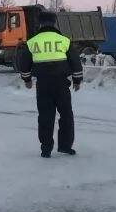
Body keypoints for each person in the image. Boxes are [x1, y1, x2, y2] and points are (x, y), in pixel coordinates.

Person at [17, 11, 83, 158]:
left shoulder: (32, 42)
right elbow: (75, 62)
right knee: (66, 115)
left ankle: (46, 149)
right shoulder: (64, 40)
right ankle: (65, 146)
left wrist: (27, 80)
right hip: (61, 85)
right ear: (54, 23)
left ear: (40, 24)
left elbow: (24, 63)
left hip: (43, 85)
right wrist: (77, 81)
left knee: (45, 116)